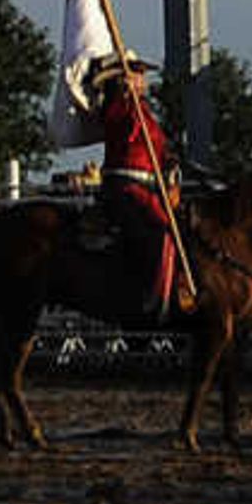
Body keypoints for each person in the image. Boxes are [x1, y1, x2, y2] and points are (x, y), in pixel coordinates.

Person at [84, 54, 183, 311]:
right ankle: (143, 291)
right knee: (154, 231)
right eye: (136, 73)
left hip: (149, 187)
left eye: (140, 74)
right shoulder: (117, 107)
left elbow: (161, 149)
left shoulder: (145, 112)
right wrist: (123, 97)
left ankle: (168, 288)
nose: (142, 79)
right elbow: (115, 125)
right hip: (124, 185)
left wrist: (171, 170)